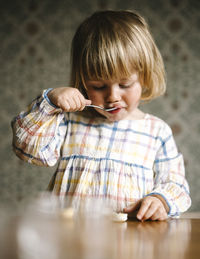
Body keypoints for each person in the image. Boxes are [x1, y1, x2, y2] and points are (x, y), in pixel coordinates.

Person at [11, 10, 191, 221]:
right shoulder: (68, 121)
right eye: (98, 86)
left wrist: (161, 200)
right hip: (70, 239)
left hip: (130, 243)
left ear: (145, 77)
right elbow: (29, 150)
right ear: (83, 82)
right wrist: (49, 103)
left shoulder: (156, 131)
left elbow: (176, 183)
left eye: (125, 84)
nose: (113, 97)